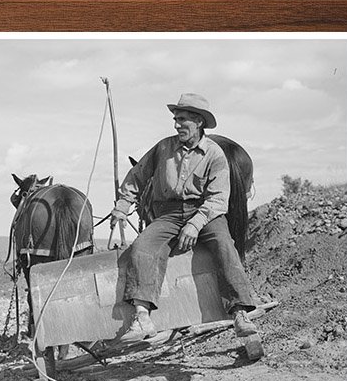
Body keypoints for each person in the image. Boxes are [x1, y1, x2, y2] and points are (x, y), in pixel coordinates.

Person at [111, 93, 261, 343]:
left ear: (199, 122)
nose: (176, 124)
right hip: (168, 214)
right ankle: (142, 317)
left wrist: (194, 224)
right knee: (141, 248)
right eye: (175, 119)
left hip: (205, 213)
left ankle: (240, 313)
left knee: (224, 244)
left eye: (182, 120)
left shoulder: (214, 154)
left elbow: (218, 199)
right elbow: (137, 175)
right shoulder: (163, 148)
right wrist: (123, 204)